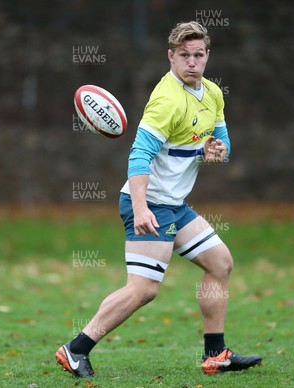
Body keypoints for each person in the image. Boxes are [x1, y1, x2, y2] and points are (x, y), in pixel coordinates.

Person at [56, 21, 262, 377]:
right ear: (171, 56)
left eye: (198, 55)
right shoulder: (166, 100)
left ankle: (216, 354)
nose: (192, 63)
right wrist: (139, 208)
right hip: (150, 202)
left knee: (220, 263)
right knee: (144, 289)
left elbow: (222, 145)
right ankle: (76, 348)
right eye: (184, 56)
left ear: (207, 55)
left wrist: (215, 152)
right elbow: (138, 156)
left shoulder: (212, 93)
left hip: (174, 205)